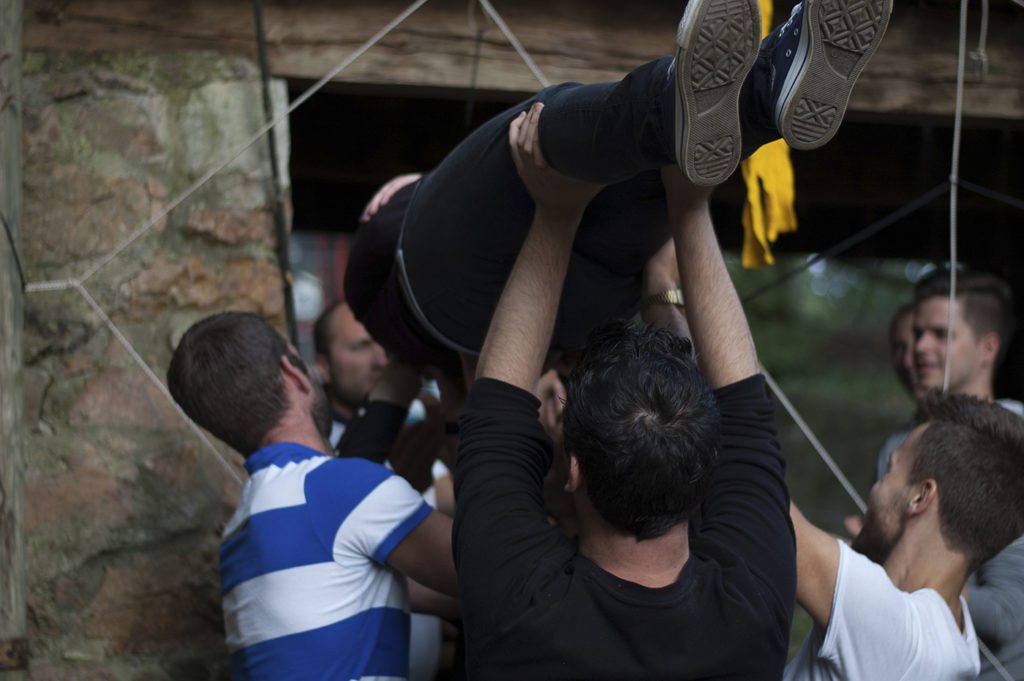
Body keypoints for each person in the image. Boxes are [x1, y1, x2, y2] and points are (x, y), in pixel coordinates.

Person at [449, 78, 795, 676]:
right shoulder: (747, 609)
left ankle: (762, 87)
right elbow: (497, 408)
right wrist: (561, 213)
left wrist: (688, 205)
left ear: (576, 469)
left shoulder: (521, 600)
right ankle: (768, 84)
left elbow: (744, 412)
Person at [345, 0, 893, 376]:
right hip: (474, 289)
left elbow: (681, 401)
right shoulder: (380, 304)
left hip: (561, 312)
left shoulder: (393, 334)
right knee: (542, 130)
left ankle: (762, 98)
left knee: (659, 161)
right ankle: (750, 93)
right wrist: (418, 189)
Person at [167, 312, 458, 680]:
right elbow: (494, 574)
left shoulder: (238, 533)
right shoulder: (340, 488)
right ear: (293, 373)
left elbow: (394, 586)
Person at [785, 391, 1024, 681]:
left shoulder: (893, 628)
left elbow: (759, 498)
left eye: (889, 471)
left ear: (920, 497)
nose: (874, 490)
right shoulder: (960, 638)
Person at [874, 268, 1024, 681]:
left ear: (986, 349)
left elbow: (1006, 616)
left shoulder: (1017, 444)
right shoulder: (899, 445)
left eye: (941, 335)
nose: (919, 348)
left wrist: (879, 578)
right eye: (918, 332)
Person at [312, 299, 388, 447]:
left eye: (384, 344)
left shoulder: (417, 429)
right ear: (323, 366)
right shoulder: (318, 446)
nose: (382, 362)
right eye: (361, 347)